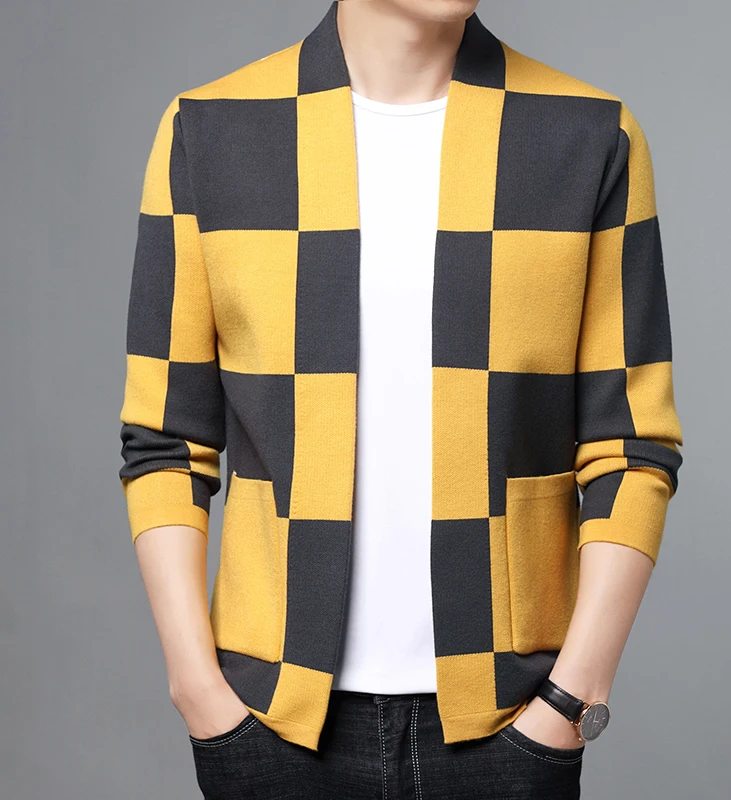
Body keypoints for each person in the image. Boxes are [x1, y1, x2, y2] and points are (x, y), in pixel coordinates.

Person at [118, 1, 684, 797]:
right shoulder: (212, 132)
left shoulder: (587, 136)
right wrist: (197, 689)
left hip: (510, 722)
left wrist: (571, 699)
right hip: (270, 722)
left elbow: (632, 446)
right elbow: (166, 443)